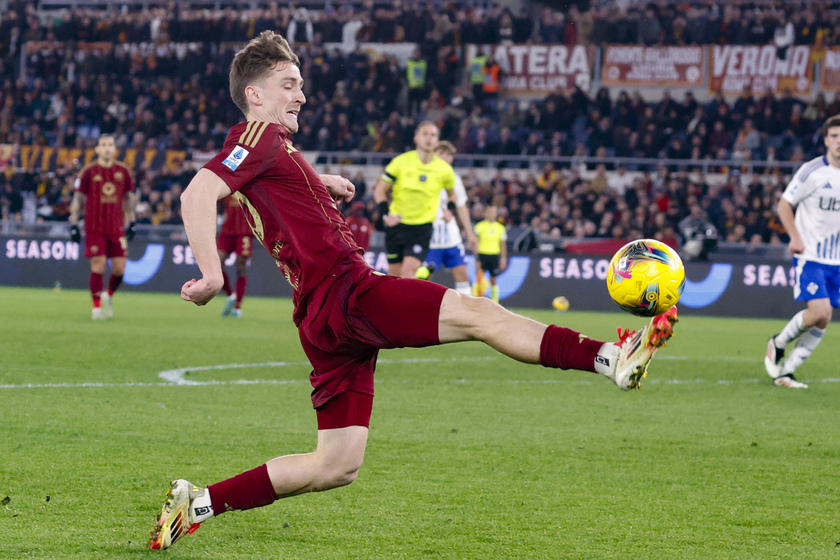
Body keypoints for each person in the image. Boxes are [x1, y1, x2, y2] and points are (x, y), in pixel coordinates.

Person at [148, 31, 679, 552]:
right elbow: (199, 191)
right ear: (254, 96)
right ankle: (612, 357)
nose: (302, 96)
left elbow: (268, 184)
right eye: (289, 84)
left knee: (336, 465)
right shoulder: (256, 138)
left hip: (320, 317)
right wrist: (211, 273)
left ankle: (197, 503)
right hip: (347, 293)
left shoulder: (274, 148)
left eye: (301, 84)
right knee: (478, 312)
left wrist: (319, 179)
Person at [764, 115, 840, 389]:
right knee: (819, 310)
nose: (839, 141)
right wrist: (795, 236)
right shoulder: (812, 171)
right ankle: (779, 342)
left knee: (825, 317)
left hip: (837, 260)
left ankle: (787, 371)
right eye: (834, 136)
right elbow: (784, 205)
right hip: (810, 255)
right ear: (825, 140)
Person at [373, 121, 457, 279]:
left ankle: (413, 293)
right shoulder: (401, 162)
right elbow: (380, 191)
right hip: (397, 225)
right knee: (394, 276)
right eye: (425, 134)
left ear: (437, 141)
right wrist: (386, 215)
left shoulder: (444, 169)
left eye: (433, 135)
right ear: (416, 138)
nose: (429, 138)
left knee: (408, 272)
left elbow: (453, 194)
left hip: (422, 228)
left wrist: (449, 210)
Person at [68, 135, 137, 320]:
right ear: (97, 149)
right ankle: (96, 308)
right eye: (103, 145)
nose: (107, 148)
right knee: (98, 266)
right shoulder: (88, 171)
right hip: (94, 227)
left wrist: (132, 221)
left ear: (115, 149)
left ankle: (109, 295)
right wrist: (73, 224)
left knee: (120, 269)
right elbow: (78, 199)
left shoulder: (123, 170)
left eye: (110, 145)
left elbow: (129, 198)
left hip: (116, 228)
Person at [415, 141, 477, 296]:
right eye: (441, 153)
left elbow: (461, 206)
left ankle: (466, 314)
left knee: (462, 272)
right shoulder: (423, 174)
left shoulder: (454, 178)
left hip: (451, 237)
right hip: (429, 236)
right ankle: (422, 312)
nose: (445, 157)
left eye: (448, 154)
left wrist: (470, 235)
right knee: (424, 277)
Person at [216, 194, 254, 318]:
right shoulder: (228, 181)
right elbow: (215, 197)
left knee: (240, 266)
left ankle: (237, 307)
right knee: (216, 262)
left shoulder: (251, 181)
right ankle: (230, 295)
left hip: (245, 231)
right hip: (227, 230)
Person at [473, 205, 507, 303]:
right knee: (479, 279)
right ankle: (477, 300)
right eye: (490, 212)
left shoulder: (500, 228)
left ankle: (495, 301)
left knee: (493, 280)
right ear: (486, 213)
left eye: (493, 212)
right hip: (482, 255)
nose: (492, 214)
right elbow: (476, 243)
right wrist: (477, 258)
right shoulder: (479, 226)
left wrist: (503, 259)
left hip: (494, 256)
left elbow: (503, 245)